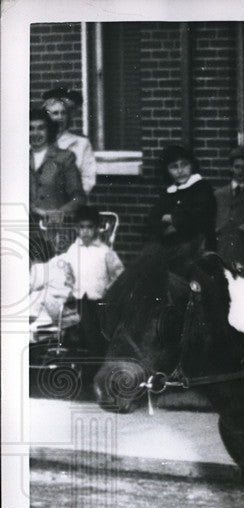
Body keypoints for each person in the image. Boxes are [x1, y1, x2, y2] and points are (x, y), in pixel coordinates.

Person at [29, 205, 124, 348]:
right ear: (76, 228)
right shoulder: (73, 250)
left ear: (97, 228)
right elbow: (67, 270)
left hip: (98, 301)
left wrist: (108, 290)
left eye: (90, 227)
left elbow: (119, 276)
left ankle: (91, 351)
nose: (85, 231)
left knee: (90, 324)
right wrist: (67, 279)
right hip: (76, 301)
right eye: (82, 227)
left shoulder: (105, 253)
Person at [30, 107, 84, 261]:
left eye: (41, 128)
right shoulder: (19, 160)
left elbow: (78, 198)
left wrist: (56, 214)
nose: (35, 133)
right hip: (26, 235)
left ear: (49, 131)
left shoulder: (64, 158)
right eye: (31, 129)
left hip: (56, 236)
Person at [147, 144, 217, 251]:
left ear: (192, 165)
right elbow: (153, 219)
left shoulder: (201, 187)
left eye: (184, 165)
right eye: (174, 167)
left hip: (198, 247)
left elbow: (198, 216)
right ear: (167, 170)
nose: (180, 171)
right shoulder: (169, 192)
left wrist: (171, 218)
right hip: (171, 247)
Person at [43, 87, 98, 197]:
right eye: (55, 113)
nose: (60, 117)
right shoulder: (35, 143)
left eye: (63, 113)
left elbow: (88, 179)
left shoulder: (81, 143)